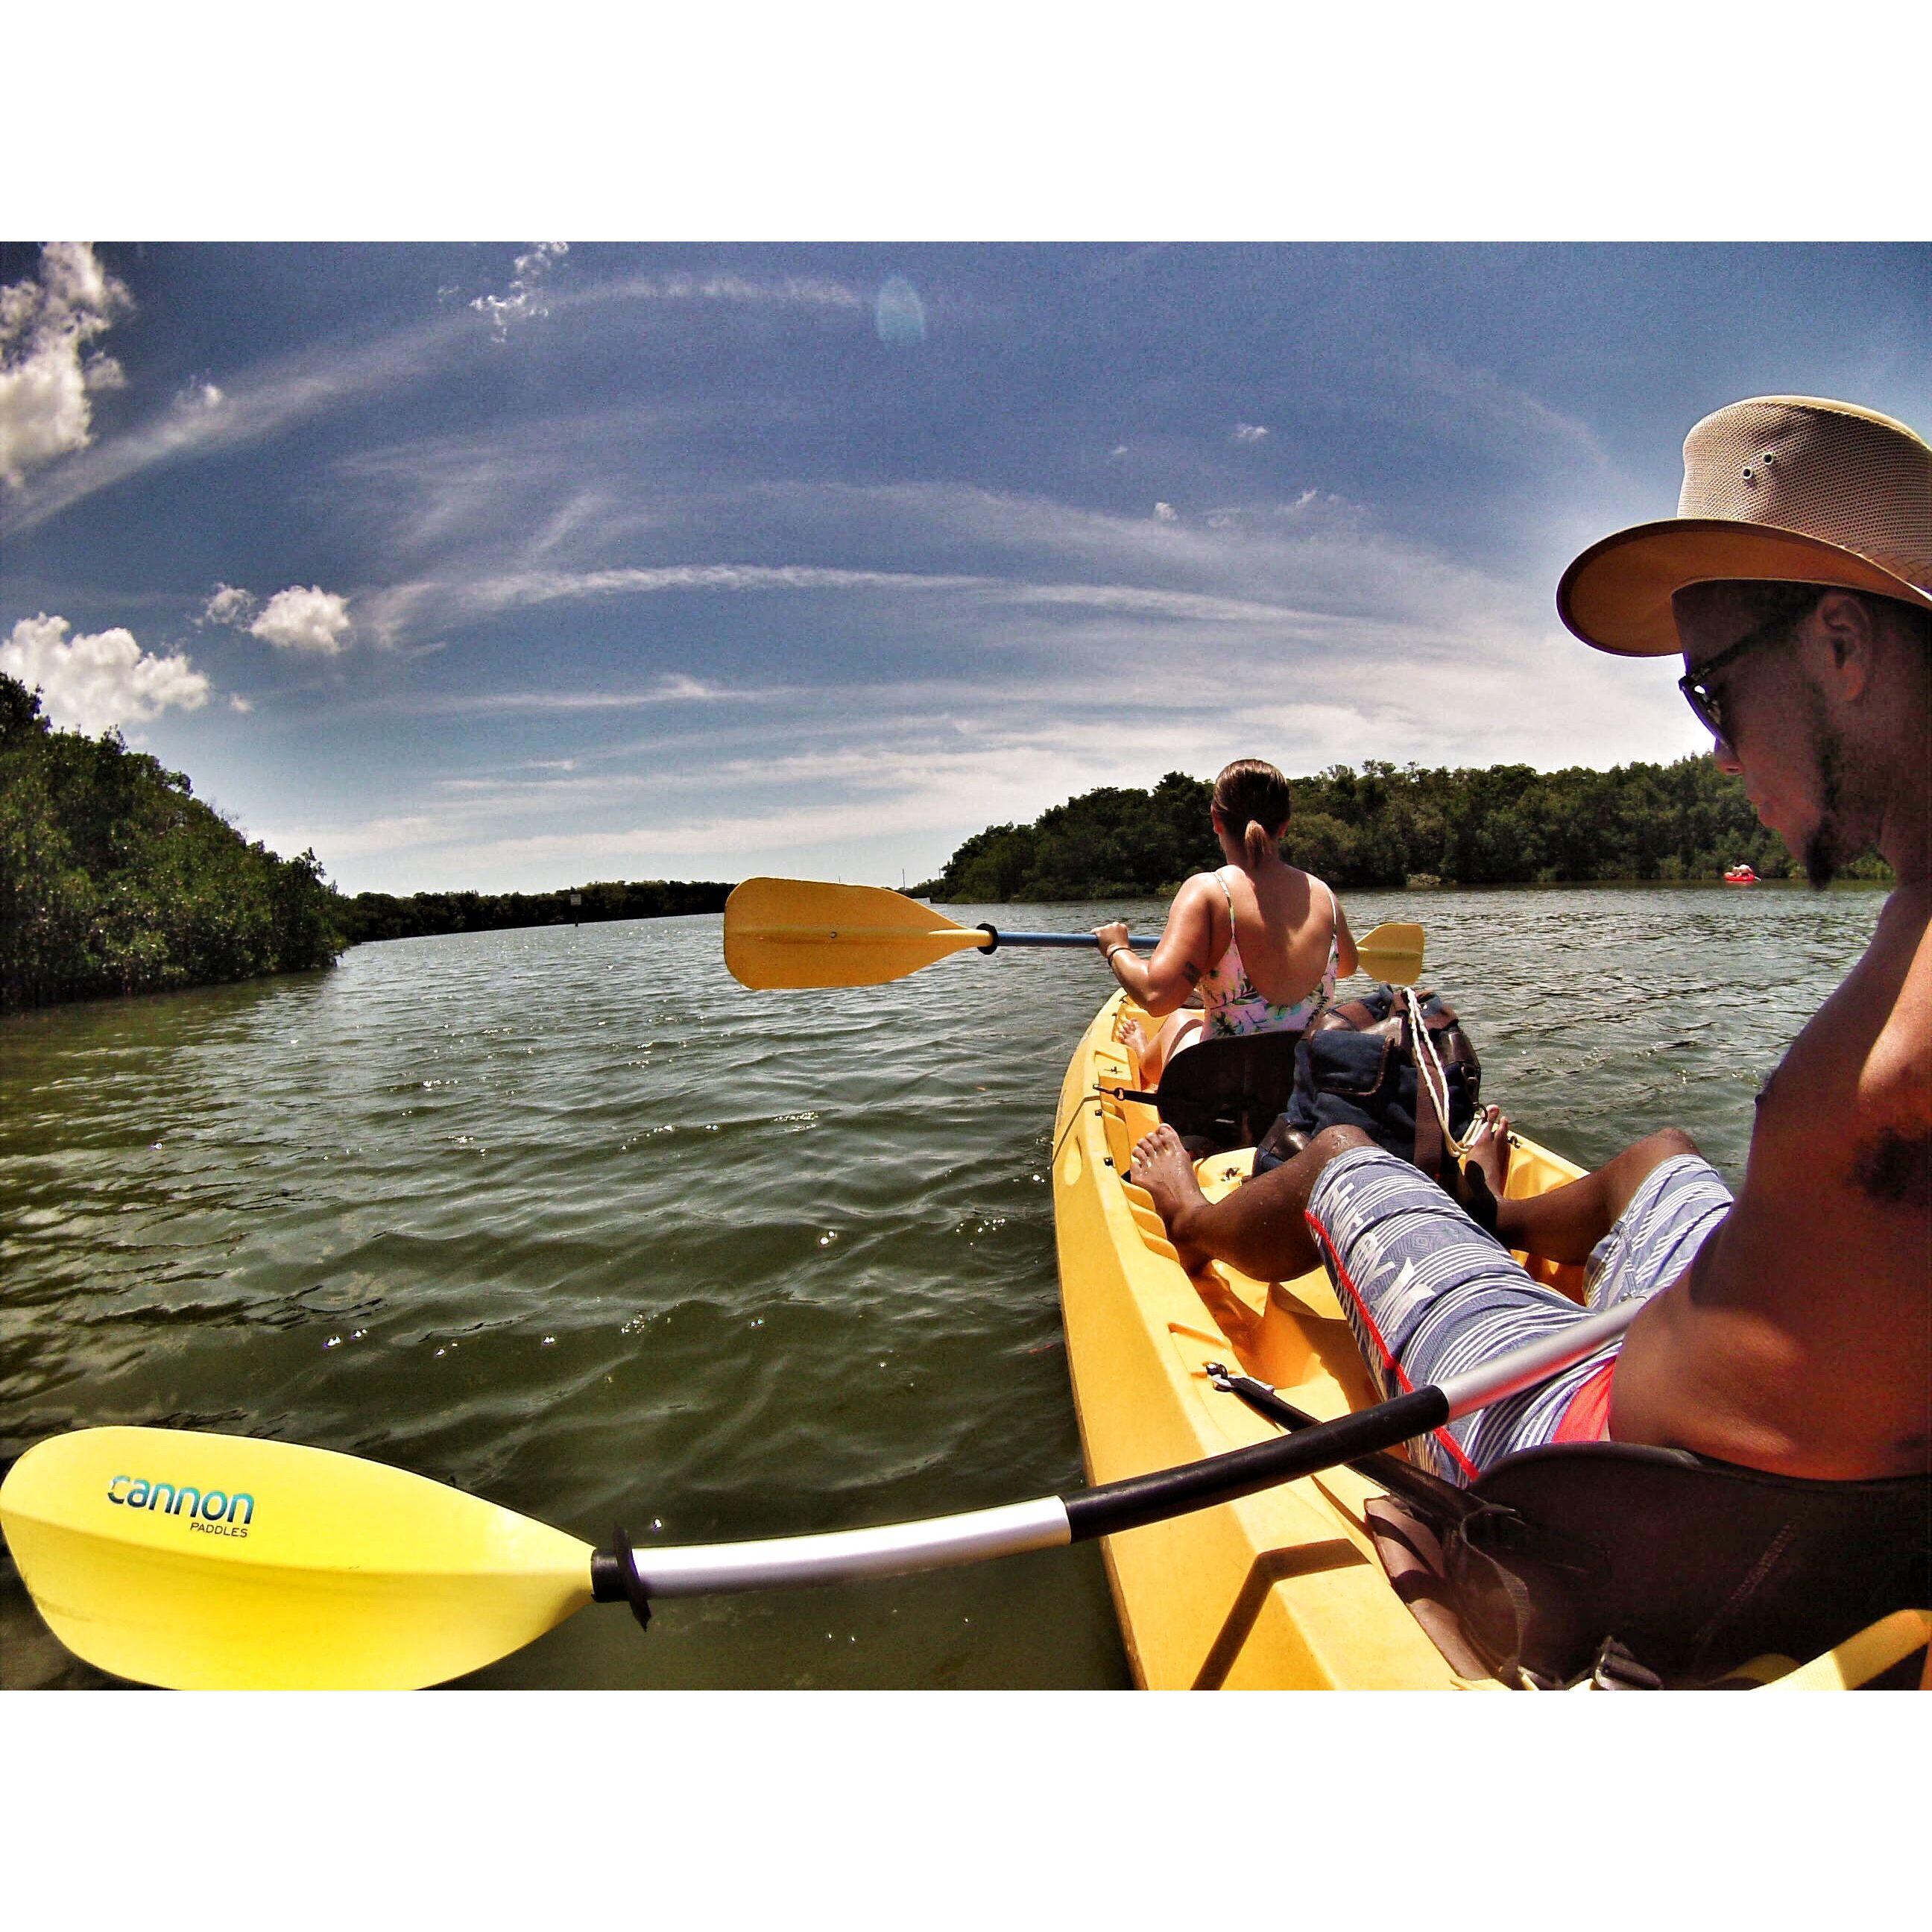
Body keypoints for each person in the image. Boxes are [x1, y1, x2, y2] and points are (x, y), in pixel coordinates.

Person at [1129, 395, 1931, 1486]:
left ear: (1840, 643)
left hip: (1584, 1452)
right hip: (1737, 1383)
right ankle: (1482, 1206)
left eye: (1711, 692)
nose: (1717, 756)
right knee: (1659, 1158)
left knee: (1339, 1158)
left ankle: (1194, 1213)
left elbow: (1708, 1516)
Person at [1092, 758, 1358, 1088]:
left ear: (1216, 820)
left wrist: (1116, 947)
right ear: (1285, 825)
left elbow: (1156, 995)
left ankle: (1144, 1054)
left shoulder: (1209, 892)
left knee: (1180, 1020)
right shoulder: (1325, 896)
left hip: (1229, 1102)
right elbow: (1345, 965)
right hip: (1306, 1089)